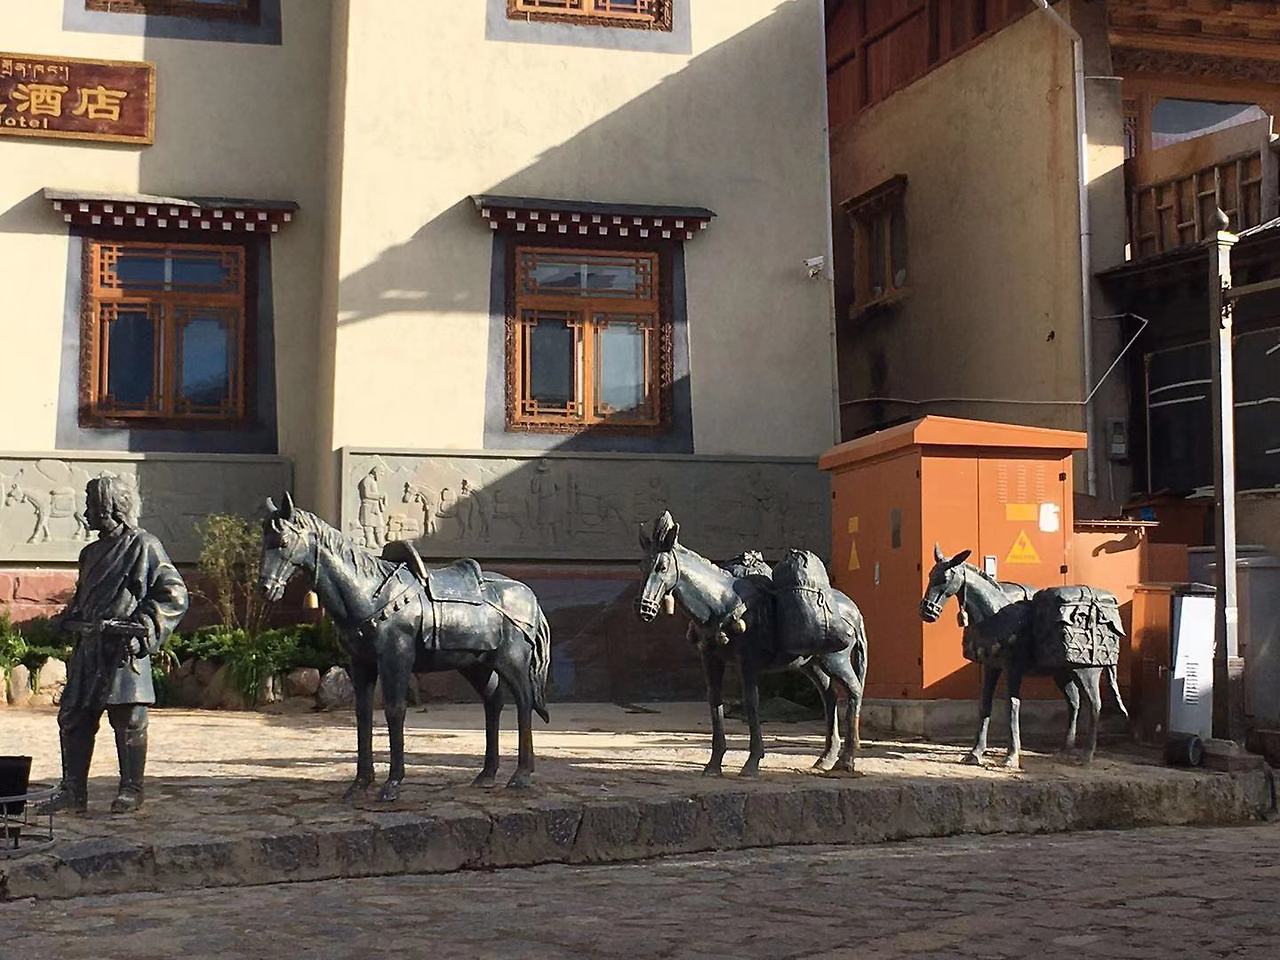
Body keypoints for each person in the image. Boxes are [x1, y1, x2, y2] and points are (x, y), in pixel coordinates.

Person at [43, 476, 189, 814]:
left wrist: (145, 626)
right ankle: (73, 791)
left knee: (129, 719)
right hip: (89, 648)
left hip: (123, 649)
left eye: (90, 506)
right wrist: (68, 618)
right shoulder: (90, 553)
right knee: (74, 717)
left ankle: (131, 789)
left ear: (109, 508)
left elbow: (175, 594)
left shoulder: (143, 546)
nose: (85, 513)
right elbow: (84, 599)